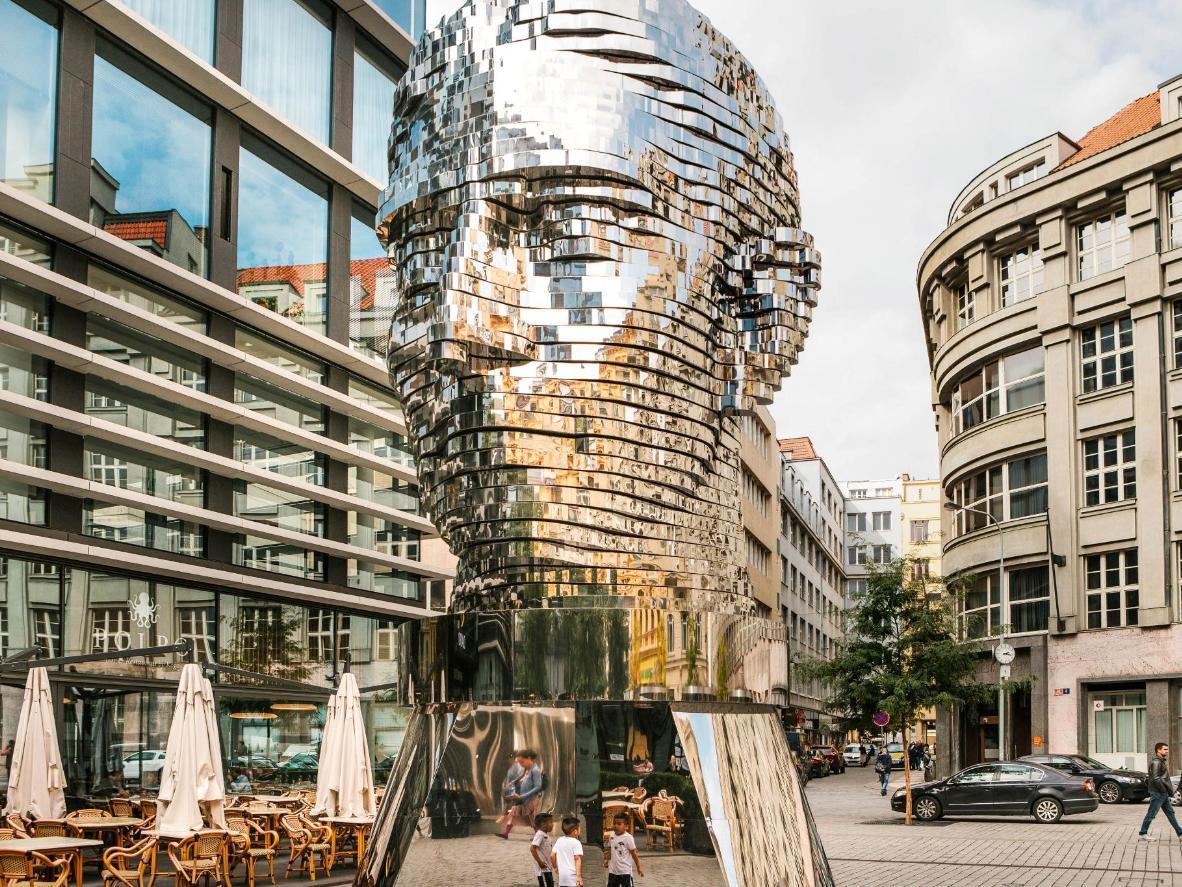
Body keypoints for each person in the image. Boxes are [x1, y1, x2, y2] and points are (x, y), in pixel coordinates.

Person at [1139, 742, 1182, 842]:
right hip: (1158, 793)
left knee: (1170, 813)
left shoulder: (1161, 761)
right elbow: (1155, 778)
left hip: (1162, 793)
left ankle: (1180, 833)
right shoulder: (1157, 762)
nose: (1167, 751)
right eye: (1165, 749)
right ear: (1158, 750)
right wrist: (1163, 790)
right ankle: (1143, 833)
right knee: (1151, 814)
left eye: (1167, 749)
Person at [499, 749, 545, 839]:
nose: (521, 764)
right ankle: (506, 833)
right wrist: (513, 782)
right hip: (523, 798)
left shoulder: (535, 770)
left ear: (529, 758)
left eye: (522, 762)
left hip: (531, 799)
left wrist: (522, 796)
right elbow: (521, 777)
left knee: (532, 818)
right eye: (519, 763)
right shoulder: (527, 769)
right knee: (513, 813)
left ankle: (538, 835)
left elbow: (538, 786)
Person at [604, 812, 643, 886]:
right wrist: (607, 860)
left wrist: (638, 867)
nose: (615, 826)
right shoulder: (611, 836)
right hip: (613, 871)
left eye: (619, 824)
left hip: (625, 872)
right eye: (614, 823)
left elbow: (634, 853)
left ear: (626, 826)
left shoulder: (628, 838)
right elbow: (611, 850)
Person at [551, 817, 584, 887]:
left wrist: (555, 867)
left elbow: (552, 855)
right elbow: (577, 859)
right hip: (572, 877)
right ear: (575, 831)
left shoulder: (559, 840)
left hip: (562, 877)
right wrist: (578, 876)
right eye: (579, 827)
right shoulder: (576, 842)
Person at [530, 813, 555, 887]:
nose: (552, 824)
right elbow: (532, 848)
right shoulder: (540, 834)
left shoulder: (545, 834)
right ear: (543, 824)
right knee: (548, 883)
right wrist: (540, 862)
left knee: (549, 883)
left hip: (546, 865)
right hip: (543, 866)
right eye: (551, 822)